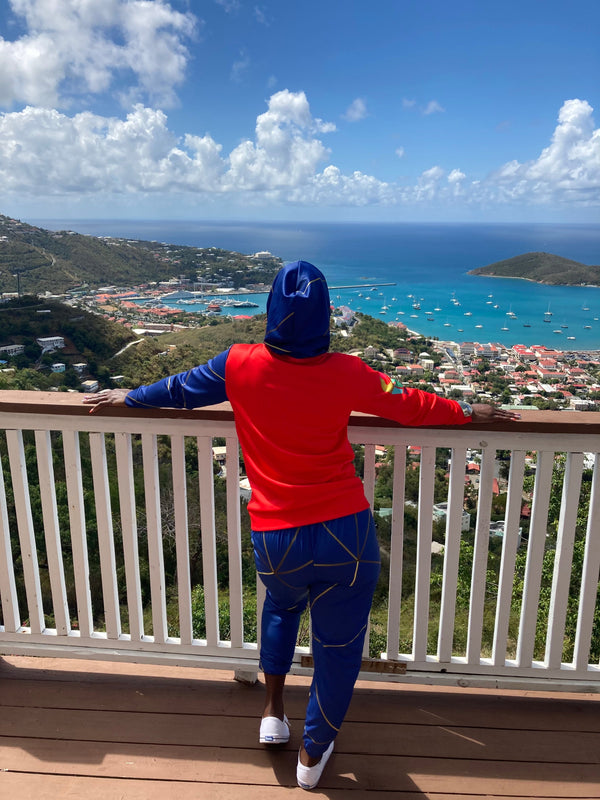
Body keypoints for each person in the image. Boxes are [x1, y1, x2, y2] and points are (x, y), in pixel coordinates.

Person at [84, 260, 519, 790]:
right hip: (345, 533)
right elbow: (409, 406)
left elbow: (178, 389)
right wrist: (469, 409)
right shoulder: (348, 372)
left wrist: (128, 396)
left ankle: (273, 712)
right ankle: (313, 756)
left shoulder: (237, 364)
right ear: (325, 316)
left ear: (272, 311)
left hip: (277, 533)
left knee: (280, 609)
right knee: (339, 648)